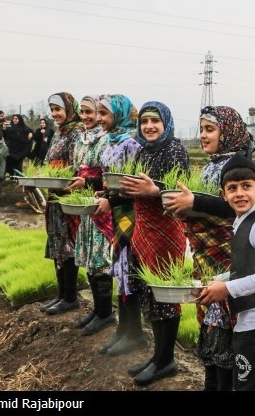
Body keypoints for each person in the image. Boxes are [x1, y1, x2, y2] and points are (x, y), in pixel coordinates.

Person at [162, 105, 255, 392]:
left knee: (225, 331)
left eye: (210, 129)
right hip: (206, 257)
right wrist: (185, 210)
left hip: (227, 257)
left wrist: (195, 205)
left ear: (227, 132)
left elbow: (234, 208)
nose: (203, 135)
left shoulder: (237, 167)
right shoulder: (212, 165)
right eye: (201, 129)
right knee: (211, 329)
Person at [197, 152, 255, 391]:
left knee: (248, 386)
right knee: (249, 384)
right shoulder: (242, 222)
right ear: (224, 195)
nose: (239, 193)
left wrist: (226, 289)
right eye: (232, 188)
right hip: (252, 317)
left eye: (246, 186)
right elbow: (248, 268)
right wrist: (216, 281)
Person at [119, 101, 189, 386]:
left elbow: (182, 196)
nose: (149, 126)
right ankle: (157, 356)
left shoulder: (176, 151)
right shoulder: (140, 150)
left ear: (166, 124)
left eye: (155, 121)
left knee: (165, 296)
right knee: (149, 292)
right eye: (145, 121)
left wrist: (154, 190)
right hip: (142, 228)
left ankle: (166, 360)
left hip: (165, 229)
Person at [92, 94, 145, 357]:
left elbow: (134, 186)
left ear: (119, 114)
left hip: (131, 214)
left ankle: (135, 333)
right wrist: (105, 196)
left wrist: (110, 199)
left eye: (104, 114)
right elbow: (109, 182)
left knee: (128, 269)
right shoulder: (110, 141)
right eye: (98, 113)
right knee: (119, 268)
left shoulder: (131, 143)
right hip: (117, 211)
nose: (100, 119)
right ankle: (123, 329)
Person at [69, 96, 117, 336]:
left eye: (93, 112)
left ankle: (106, 313)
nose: (88, 117)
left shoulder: (107, 139)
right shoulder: (82, 139)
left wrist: (87, 181)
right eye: (84, 112)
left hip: (100, 204)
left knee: (100, 261)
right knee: (89, 257)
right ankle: (98, 310)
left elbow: (110, 177)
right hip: (85, 204)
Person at [39, 93, 84, 315]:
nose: (54, 113)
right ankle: (61, 293)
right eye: (52, 109)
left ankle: (70, 297)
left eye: (58, 109)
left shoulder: (76, 132)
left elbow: (77, 166)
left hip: (67, 196)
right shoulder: (58, 132)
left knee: (67, 245)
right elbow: (49, 162)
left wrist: (62, 182)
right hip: (54, 195)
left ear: (69, 108)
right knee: (56, 241)